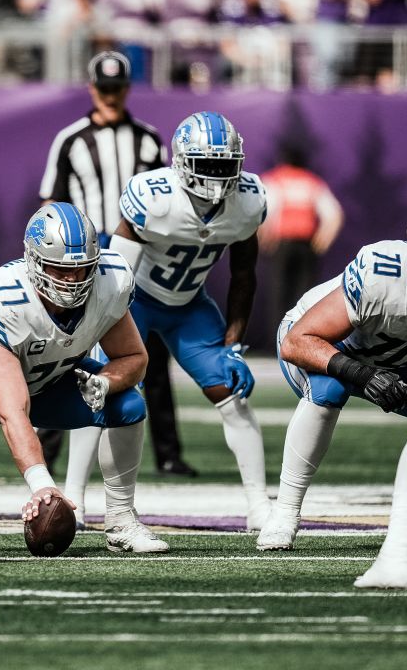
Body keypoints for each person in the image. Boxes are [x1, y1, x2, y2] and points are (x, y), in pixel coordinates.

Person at [0, 203, 168, 556]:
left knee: (128, 404)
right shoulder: (5, 297)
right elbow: (12, 410)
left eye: (82, 269)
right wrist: (42, 486)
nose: (73, 280)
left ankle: (121, 520)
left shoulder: (110, 282)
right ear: (35, 262)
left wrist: (106, 383)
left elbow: (133, 357)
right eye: (60, 269)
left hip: (51, 376)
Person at [38, 50, 192, 534]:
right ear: (91, 88)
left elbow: (167, 196)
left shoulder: (148, 138)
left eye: (118, 88)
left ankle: (168, 454)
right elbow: (51, 203)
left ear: (127, 88)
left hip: (139, 254)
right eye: (104, 88)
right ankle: (49, 453)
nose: (110, 95)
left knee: (144, 354)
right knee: (73, 356)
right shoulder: (71, 140)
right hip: (83, 257)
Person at [109, 111, 274, 531]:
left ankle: (260, 506)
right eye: (208, 165)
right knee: (104, 393)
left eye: (226, 165)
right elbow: (114, 280)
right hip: (135, 303)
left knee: (233, 395)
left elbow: (243, 276)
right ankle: (79, 495)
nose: (219, 177)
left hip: (188, 306)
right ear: (181, 162)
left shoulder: (247, 201)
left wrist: (233, 346)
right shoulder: (154, 196)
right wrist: (107, 341)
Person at [256, 240, 407, 588]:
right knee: (329, 389)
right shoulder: (384, 274)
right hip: (325, 346)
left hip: (399, 362)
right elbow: (297, 342)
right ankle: (285, 511)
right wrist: (363, 375)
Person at [258, 145, 345, 319]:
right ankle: (300, 338)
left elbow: (261, 210)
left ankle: (279, 340)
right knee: (306, 296)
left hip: (282, 245)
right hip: (307, 246)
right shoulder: (313, 182)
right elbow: (335, 214)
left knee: (279, 293)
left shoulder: (275, 178)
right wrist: (322, 240)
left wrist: (263, 239)